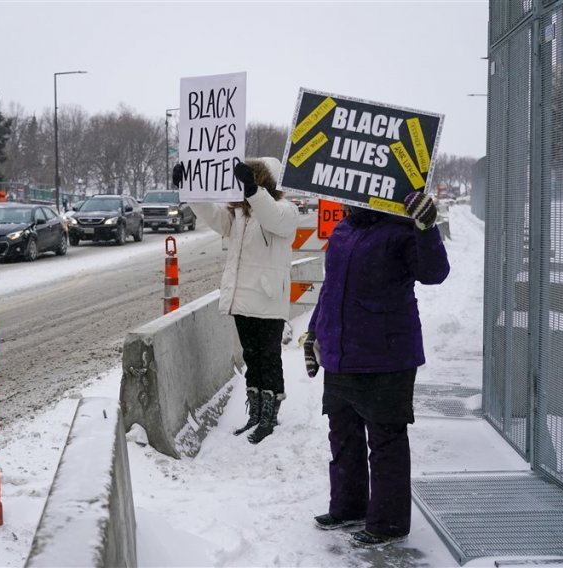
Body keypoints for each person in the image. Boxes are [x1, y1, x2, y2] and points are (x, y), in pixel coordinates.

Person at [304, 191, 449, 547]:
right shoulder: (342, 231)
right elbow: (330, 291)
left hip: (387, 355)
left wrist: (426, 227)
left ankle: (388, 523)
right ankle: (348, 507)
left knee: (386, 442)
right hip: (341, 353)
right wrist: (313, 333)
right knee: (343, 434)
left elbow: (434, 273)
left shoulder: (402, 229)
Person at [172, 157, 299, 444]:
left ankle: (269, 417)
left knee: (269, 359)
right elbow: (212, 215)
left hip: (267, 300)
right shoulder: (239, 216)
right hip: (242, 299)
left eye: (252, 178)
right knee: (252, 358)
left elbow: (273, 218)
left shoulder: (285, 211)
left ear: (265, 182)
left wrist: (253, 191)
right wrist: (189, 188)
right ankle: (255, 414)